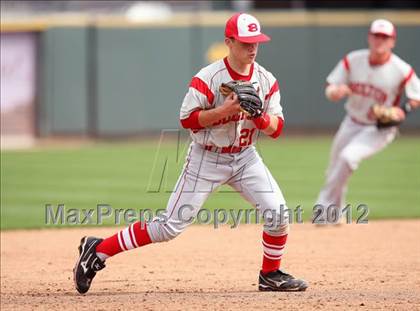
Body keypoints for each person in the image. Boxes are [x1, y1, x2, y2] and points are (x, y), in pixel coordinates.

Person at [73, 13, 308, 294]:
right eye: (246, 42)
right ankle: (98, 250)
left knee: (278, 215)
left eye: (256, 42)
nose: (253, 48)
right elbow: (187, 120)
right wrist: (225, 111)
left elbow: (277, 128)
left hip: (245, 158)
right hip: (206, 159)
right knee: (169, 228)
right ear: (229, 42)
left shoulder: (267, 80)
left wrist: (256, 116)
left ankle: (270, 274)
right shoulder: (207, 78)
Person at [315, 19, 420, 223]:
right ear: (369, 37)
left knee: (347, 158)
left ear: (392, 41)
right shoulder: (353, 60)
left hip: (379, 128)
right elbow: (330, 88)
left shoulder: (401, 69)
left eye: (385, 37)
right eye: (376, 35)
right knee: (336, 167)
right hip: (352, 121)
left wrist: (402, 110)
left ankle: (323, 208)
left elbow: (417, 96)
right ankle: (337, 214)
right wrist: (335, 92)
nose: (380, 40)